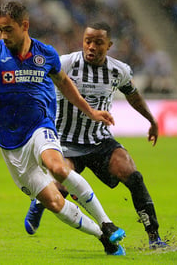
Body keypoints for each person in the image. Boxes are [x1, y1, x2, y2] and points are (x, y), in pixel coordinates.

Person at [0, 1, 126, 256]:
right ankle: (102, 236)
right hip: (12, 146)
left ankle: (107, 222)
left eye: (8, 29)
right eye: (0, 29)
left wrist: (90, 111)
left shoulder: (46, 54)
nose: (4, 35)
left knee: (57, 167)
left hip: (41, 126)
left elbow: (65, 83)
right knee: (54, 202)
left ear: (24, 26)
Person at [23, 21, 168, 249]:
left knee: (134, 177)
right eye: (87, 41)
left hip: (99, 140)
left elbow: (133, 95)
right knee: (59, 188)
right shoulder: (66, 63)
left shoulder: (118, 71)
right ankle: (39, 202)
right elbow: (37, 85)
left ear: (108, 45)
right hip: (65, 141)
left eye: (98, 43)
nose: (91, 46)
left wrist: (151, 120)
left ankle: (155, 238)